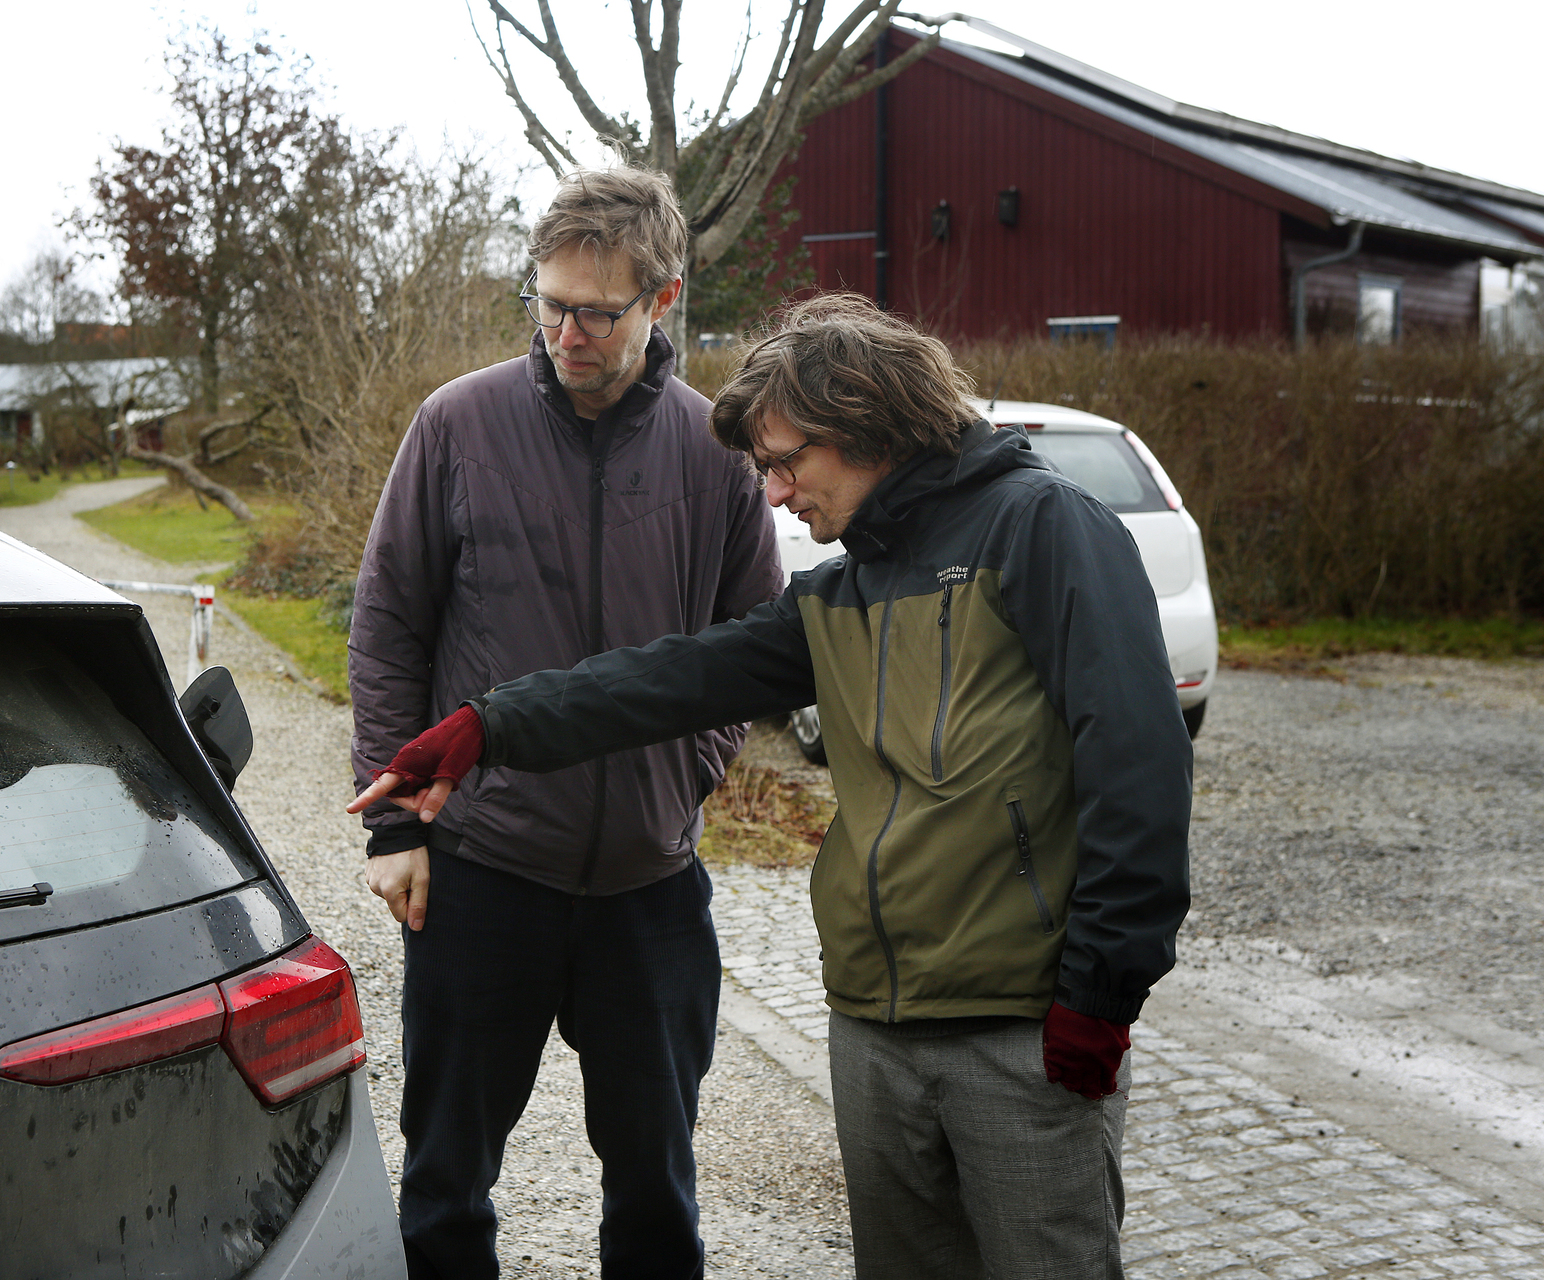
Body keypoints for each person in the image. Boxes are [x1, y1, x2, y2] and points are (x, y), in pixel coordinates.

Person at [352, 294, 1193, 1279]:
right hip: (877, 1029)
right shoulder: (844, 587)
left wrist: (1102, 990)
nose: (778, 492)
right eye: (764, 470)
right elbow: (666, 677)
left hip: (1023, 1035)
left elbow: (1138, 765)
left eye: (788, 461)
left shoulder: (1045, 528)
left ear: (867, 421)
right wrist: (489, 724)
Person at [348, 165, 783, 1278]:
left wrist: (682, 775)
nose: (566, 332)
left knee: (656, 1195)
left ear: (665, 299)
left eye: (598, 310)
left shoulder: (715, 453)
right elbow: (391, 620)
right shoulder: (457, 425)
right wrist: (396, 828)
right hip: (486, 870)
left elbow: (757, 644)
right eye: (547, 302)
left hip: (651, 891)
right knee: (446, 1185)